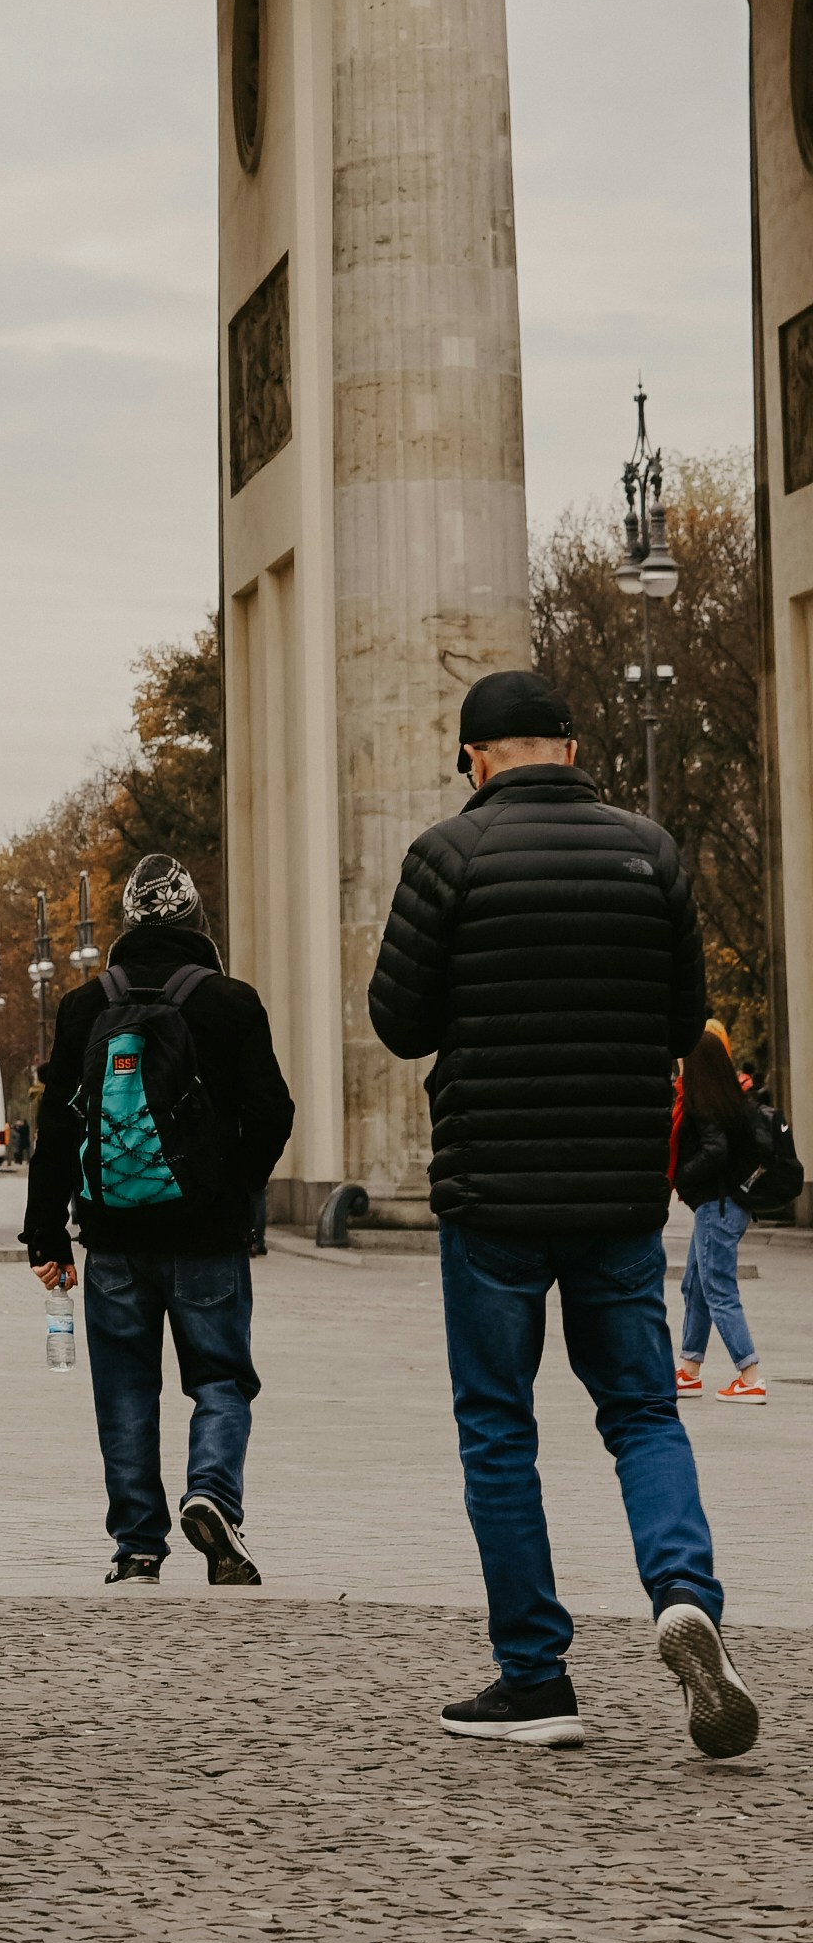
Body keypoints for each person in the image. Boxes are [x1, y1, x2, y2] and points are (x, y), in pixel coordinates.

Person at [369, 667, 758, 1759]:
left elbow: (399, 1022)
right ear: (573, 746)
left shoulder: (447, 855)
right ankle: (684, 1597)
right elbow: (684, 1022)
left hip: (490, 1190)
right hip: (616, 1192)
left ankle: (535, 1677)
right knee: (641, 1412)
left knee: (498, 1426)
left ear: (473, 757)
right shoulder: (649, 852)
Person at [23, 854, 294, 1589]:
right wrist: (233, 1191)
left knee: (124, 1394)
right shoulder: (231, 1002)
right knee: (221, 1380)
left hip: (113, 1238)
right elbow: (273, 1111)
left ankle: (138, 1547)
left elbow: (56, 1130)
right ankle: (212, 1494)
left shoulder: (84, 1006)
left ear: (127, 923)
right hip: (206, 1236)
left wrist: (46, 1236)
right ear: (196, 919)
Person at [672, 1020, 765, 1404]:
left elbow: (715, 1151)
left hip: (717, 1206)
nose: (679, 1067)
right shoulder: (727, 1100)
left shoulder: (705, 1104)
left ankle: (750, 1375)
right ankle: (689, 1369)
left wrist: (682, 1175)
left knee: (718, 1289)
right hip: (726, 1206)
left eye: (683, 1061)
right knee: (695, 1284)